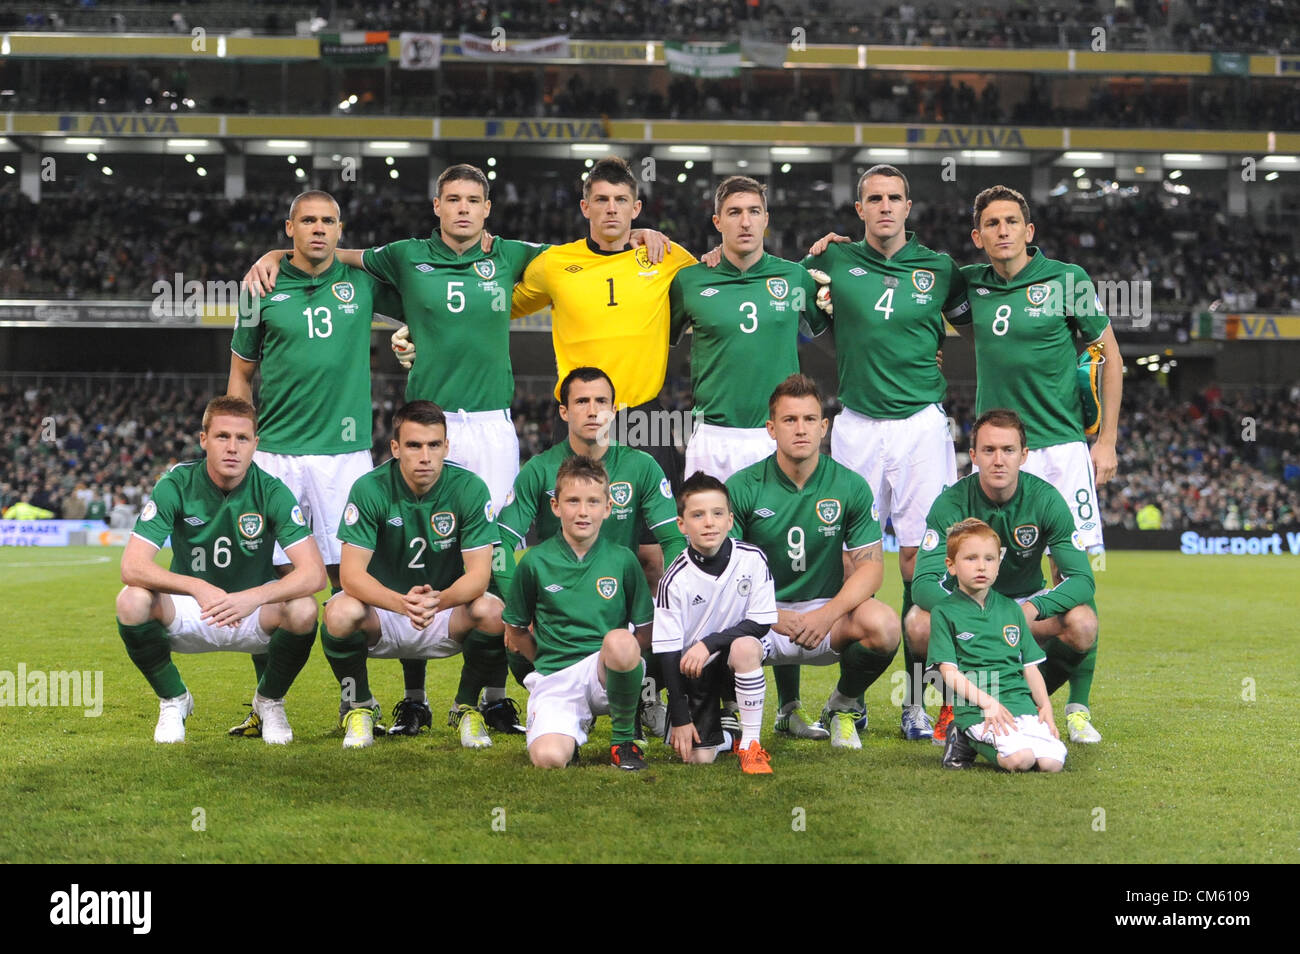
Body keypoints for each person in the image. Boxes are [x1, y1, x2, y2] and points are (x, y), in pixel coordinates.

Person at [799, 164, 970, 741]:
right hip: (854, 426)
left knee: (919, 564)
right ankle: (850, 698)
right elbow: (780, 297)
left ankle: (918, 702)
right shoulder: (834, 263)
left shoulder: (942, 268)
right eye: (874, 198)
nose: (885, 207)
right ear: (859, 210)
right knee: (853, 564)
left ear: (908, 205)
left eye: (895, 197)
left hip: (921, 426)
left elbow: (993, 311)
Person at [228, 189, 403, 736]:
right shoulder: (261, 288)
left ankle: (360, 701)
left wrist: (412, 333)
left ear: (341, 229)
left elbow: (430, 295)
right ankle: (265, 704)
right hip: (275, 456)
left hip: (344, 458)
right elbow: (240, 375)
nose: (319, 229)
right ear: (289, 227)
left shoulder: (364, 283)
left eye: (328, 221)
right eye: (308, 220)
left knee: (347, 583)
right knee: (277, 581)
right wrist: (238, 440)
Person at [956, 184, 1122, 743]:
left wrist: (1106, 441)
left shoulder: (1065, 280)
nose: (1002, 230)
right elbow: (909, 294)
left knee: (1074, 577)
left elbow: (1111, 358)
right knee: (976, 567)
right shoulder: (971, 284)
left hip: (1059, 448)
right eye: (991, 224)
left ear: (1029, 231)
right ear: (978, 238)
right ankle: (972, 697)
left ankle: (1077, 708)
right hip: (998, 453)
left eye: (1012, 221)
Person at [115, 395, 325, 744]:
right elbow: (132, 565)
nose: (232, 448)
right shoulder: (176, 483)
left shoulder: (272, 491)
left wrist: (252, 597)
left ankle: (269, 702)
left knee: (304, 608)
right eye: (222, 437)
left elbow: (314, 574)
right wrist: (197, 587)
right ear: (203, 440)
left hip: (252, 612)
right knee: (131, 601)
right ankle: (174, 700)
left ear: (255, 444)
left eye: (242, 439)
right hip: (188, 609)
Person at [494, 367, 686, 738]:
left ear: (615, 410)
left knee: (670, 626)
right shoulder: (540, 469)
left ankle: (640, 701)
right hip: (555, 610)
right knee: (509, 638)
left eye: (601, 401)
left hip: (618, 606)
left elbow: (674, 540)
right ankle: (534, 701)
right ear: (564, 412)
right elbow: (499, 544)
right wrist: (515, 607)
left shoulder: (640, 466)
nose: (592, 410)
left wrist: (667, 601)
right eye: (581, 401)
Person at [726, 374, 901, 749]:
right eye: (789, 420)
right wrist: (769, 614)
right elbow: (725, 573)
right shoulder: (742, 486)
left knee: (884, 625)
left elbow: (871, 567)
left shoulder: (850, 485)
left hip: (827, 614)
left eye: (809, 419)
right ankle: (730, 711)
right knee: (706, 619)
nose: (800, 429)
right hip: (760, 616)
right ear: (771, 428)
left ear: (824, 426)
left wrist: (827, 614)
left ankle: (843, 705)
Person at [510, 155, 697, 499]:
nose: (611, 209)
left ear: (636, 207)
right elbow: (496, 308)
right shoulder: (555, 263)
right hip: (578, 416)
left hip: (644, 419)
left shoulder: (666, 256)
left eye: (621, 200)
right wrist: (422, 331)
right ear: (585, 207)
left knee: (654, 545)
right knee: (571, 531)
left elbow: (714, 289)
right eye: (601, 200)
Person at [907, 409, 1097, 745]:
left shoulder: (1046, 499)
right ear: (974, 455)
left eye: (1008, 450)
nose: (999, 460)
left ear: (1024, 456)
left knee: (1083, 622)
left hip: (1025, 608)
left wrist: (1033, 608)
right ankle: (954, 705)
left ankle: (1026, 699)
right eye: (989, 450)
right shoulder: (951, 502)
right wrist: (974, 615)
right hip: (967, 606)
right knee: (918, 624)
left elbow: (1082, 579)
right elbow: (922, 584)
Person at [321, 401, 503, 750]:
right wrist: (402, 604)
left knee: (492, 612)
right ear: (395, 448)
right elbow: (351, 576)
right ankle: (360, 706)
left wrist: (437, 600)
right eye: (414, 445)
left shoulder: (469, 488)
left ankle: (466, 706)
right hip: (385, 612)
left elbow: (479, 576)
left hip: (443, 612)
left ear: (446, 447)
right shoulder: (370, 488)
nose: (425, 456)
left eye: (434, 445)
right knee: (339, 612)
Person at [669, 175, 830, 482]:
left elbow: (835, 335)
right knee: (706, 529)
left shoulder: (795, 277)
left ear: (766, 219)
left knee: (777, 530)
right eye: (734, 212)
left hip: (775, 436)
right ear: (717, 221)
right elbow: (658, 340)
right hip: (712, 438)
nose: (745, 222)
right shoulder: (689, 281)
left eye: (754, 211)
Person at [503, 455, 655, 770]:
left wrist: (621, 667)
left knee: (621, 641)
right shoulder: (534, 562)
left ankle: (623, 740)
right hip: (556, 678)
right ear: (556, 506)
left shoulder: (624, 560)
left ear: (608, 508)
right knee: (549, 760)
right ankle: (571, 730)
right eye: (572, 501)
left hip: (603, 672)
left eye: (592, 502)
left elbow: (644, 632)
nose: (583, 511)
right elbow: (515, 631)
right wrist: (546, 661)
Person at [654, 472, 776, 774]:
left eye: (717, 513)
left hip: (739, 656)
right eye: (698, 515)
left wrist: (709, 644)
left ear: (730, 519)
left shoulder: (753, 559)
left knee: (746, 647)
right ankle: (727, 734)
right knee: (698, 758)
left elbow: (760, 623)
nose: (709, 522)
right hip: (696, 671)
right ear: (682, 524)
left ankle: (750, 744)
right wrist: (681, 718)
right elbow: (668, 654)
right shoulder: (674, 580)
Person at [927, 517, 1066, 772]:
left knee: (1052, 763)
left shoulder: (1012, 609)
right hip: (978, 707)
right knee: (1020, 760)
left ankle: (1014, 737)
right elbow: (948, 672)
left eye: (989, 559)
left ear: (998, 564)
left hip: (1020, 705)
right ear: (952, 565)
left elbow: (1030, 666)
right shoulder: (944, 612)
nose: (981, 566)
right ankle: (964, 735)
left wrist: (1045, 707)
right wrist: (988, 703)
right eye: (971, 559)